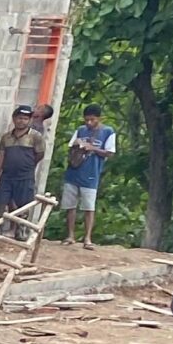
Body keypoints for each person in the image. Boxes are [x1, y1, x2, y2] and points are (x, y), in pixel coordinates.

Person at [60, 105, 115, 247]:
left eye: (92, 120)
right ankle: (70, 235)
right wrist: (78, 143)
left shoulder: (108, 132)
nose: (89, 123)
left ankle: (87, 238)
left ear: (99, 118)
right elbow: (71, 146)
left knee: (89, 207)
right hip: (74, 172)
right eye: (86, 120)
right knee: (70, 205)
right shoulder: (80, 130)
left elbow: (110, 152)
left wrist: (93, 148)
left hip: (91, 174)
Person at [0, 105, 44, 231]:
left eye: (25, 119)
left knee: (24, 206)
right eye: (20, 118)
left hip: (25, 177)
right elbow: (1, 155)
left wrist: (28, 165)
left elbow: (40, 154)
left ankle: (20, 231)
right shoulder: (6, 137)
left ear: (30, 120)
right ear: (14, 119)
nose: (22, 121)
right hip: (7, 175)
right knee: (0, 203)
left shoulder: (35, 136)